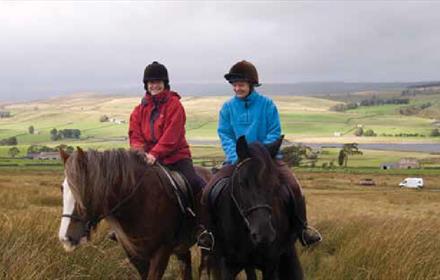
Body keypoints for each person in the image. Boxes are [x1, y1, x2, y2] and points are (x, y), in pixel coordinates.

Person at [198, 60, 321, 250]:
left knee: (293, 186)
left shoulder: (267, 105)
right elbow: (225, 134)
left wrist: (261, 155)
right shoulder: (227, 108)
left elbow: (274, 131)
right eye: (235, 85)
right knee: (209, 191)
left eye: (241, 84)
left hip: (267, 160)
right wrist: (236, 156)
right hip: (237, 160)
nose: (238, 88)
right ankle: (210, 233)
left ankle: (303, 228)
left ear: (251, 85)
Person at [129, 61, 206, 200]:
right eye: (150, 82)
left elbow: (172, 136)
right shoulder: (138, 111)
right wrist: (141, 155)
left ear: (165, 83)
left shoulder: (174, 105)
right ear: (146, 85)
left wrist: (154, 154)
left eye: (158, 81)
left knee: (193, 183)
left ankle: (199, 218)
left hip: (176, 158)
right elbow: (135, 136)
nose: (154, 85)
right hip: (147, 160)